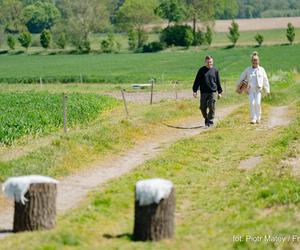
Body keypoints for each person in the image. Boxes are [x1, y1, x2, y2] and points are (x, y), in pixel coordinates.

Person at [238, 52, 270, 124]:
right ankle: (253, 118)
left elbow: (265, 79)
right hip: (250, 90)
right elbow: (241, 77)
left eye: (256, 60)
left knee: (257, 103)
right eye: (253, 60)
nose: (255, 61)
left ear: (258, 61)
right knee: (252, 103)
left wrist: (267, 90)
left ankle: (258, 117)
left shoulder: (261, 70)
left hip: (258, 90)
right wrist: (239, 87)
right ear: (251, 61)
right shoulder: (248, 70)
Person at [192, 55, 223, 127]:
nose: (209, 63)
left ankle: (210, 120)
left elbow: (218, 82)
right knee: (202, 107)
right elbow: (197, 81)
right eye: (208, 62)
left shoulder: (215, 71)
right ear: (205, 62)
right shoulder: (201, 70)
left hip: (213, 91)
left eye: (211, 62)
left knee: (211, 105)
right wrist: (194, 91)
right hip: (203, 92)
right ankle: (206, 118)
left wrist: (220, 92)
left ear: (213, 62)